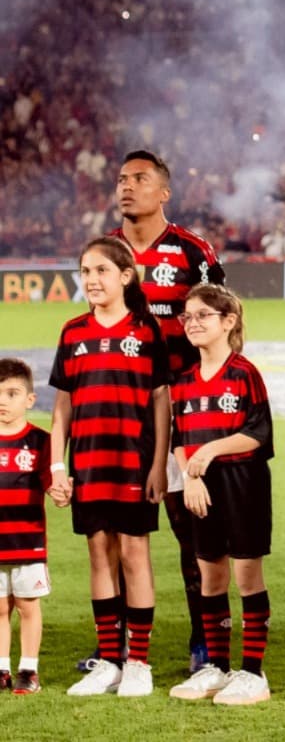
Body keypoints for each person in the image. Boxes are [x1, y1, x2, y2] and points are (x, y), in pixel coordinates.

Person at [110, 149, 224, 674]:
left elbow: (223, 326)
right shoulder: (106, 252)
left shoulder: (192, 252)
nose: (127, 187)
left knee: (187, 524)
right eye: (122, 179)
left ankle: (203, 641)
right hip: (117, 412)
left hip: (181, 412)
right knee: (114, 529)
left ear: (164, 192)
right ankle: (115, 648)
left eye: (139, 179)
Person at [48, 237, 170, 697]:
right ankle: (108, 661)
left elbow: (161, 400)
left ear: (125, 276)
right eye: (85, 272)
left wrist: (158, 463)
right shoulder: (73, 331)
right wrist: (59, 469)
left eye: (100, 270)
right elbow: (62, 406)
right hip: (89, 465)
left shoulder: (146, 330)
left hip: (133, 464)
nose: (91, 280)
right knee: (99, 555)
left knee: (135, 555)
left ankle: (138, 662)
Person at [166, 285, 274, 706]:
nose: (192, 323)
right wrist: (189, 477)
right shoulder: (185, 382)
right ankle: (216, 666)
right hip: (201, 489)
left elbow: (259, 434)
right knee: (210, 576)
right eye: (187, 316)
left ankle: (252, 673)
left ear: (227, 322)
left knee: (247, 577)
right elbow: (179, 437)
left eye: (203, 315)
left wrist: (210, 450)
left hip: (242, 483)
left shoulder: (244, 373)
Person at [0, 358, 54, 695]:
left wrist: (62, 490)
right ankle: (2, 668)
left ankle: (28, 670)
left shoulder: (40, 440)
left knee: (27, 606)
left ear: (29, 400)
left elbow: (52, 482)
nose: (3, 401)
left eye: (12, 393)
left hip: (27, 542)